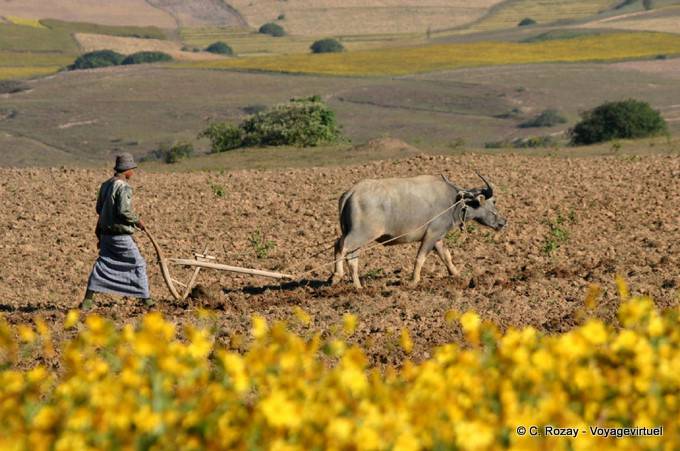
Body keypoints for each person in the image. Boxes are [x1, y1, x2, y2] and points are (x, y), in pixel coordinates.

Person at [82, 153, 153, 309]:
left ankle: (88, 300)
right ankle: (146, 300)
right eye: (132, 169)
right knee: (138, 264)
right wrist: (138, 221)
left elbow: (99, 208)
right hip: (120, 235)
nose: (133, 173)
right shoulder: (123, 186)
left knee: (103, 264)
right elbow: (123, 211)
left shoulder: (105, 184)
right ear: (127, 170)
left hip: (105, 234)